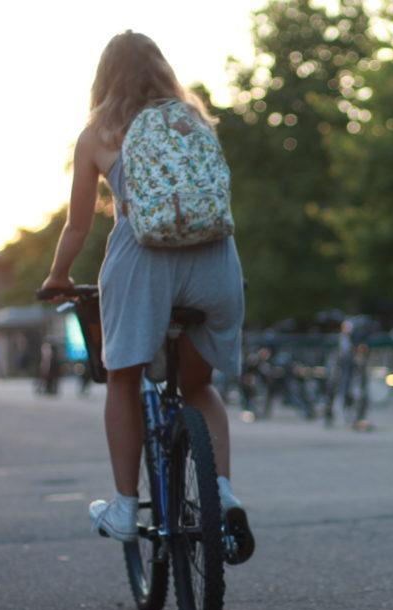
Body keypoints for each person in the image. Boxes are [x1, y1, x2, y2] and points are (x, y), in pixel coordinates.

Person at [40, 31, 253, 561]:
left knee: (123, 377)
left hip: (144, 264)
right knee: (200, 387)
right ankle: (222, 492)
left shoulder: (97, 134)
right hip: (216, 261)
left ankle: (122, 506)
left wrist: (57, 276)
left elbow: (78, 225)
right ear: (161, 70)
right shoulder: (194, 121)